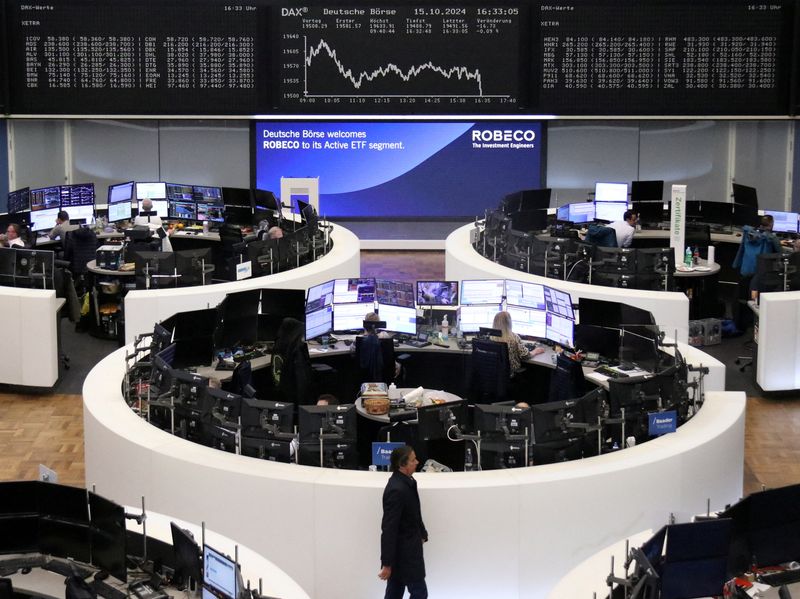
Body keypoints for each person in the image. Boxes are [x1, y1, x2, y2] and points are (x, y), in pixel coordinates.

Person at [379, 446, 428, 599]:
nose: (417, 462)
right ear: (402, 464)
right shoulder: (397, 490)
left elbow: (414, 512)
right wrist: (387, 563)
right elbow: (389, 528)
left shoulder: (407, 482)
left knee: (395, 591)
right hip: (405, 555)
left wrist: (422, 533)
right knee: (419, 593)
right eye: (413, 460)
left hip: (407, 551)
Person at [491, 311, 544, 377]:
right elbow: (525, 356)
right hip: (511, 374)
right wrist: (536, 351)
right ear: (509, 323)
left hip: (495, 375)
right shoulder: (514, 338)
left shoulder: (489, 338)